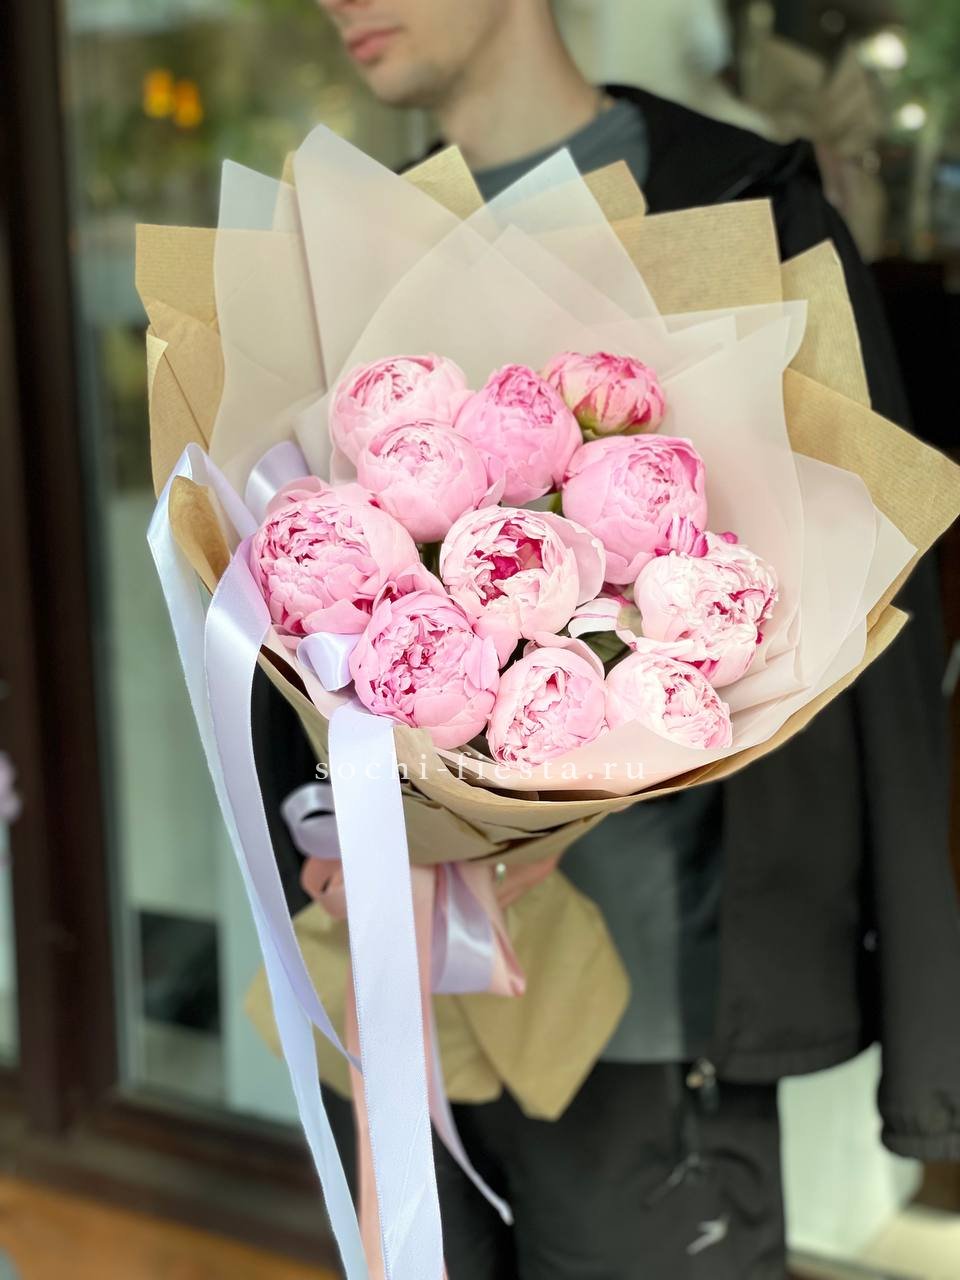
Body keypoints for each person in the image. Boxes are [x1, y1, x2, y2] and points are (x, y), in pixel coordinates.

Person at [253, 2, 960, 1277]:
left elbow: (879, 625)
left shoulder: (742, 211)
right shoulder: (359, 241)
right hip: (409, 996)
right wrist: (321, 821)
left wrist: (929, 1044)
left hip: (651, 1013)